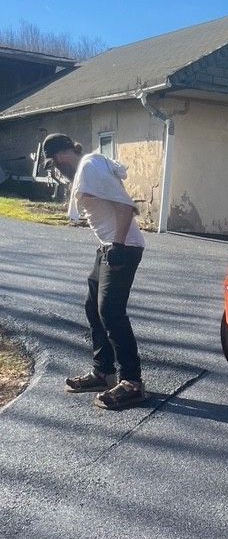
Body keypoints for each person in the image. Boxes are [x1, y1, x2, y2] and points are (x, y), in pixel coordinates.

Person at [40, 133, 147, 410]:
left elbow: (126, 206)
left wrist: (120, 245)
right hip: (108, 247)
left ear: (62, 155)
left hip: (124, 247)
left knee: (111, 311)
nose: (55, 170)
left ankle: (132, 382)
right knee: (92, 307)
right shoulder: (86, 170)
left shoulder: (89, 166)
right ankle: (103, 373)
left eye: (53, 164)